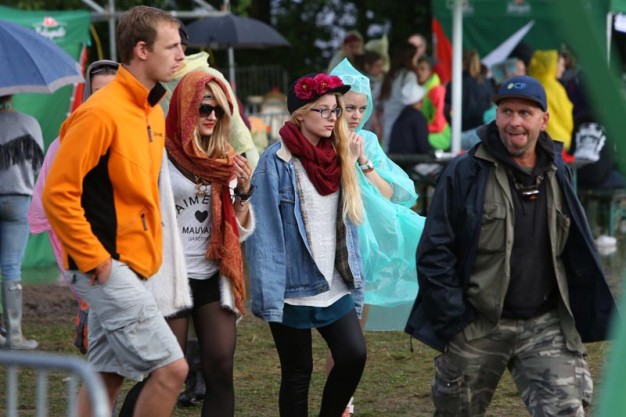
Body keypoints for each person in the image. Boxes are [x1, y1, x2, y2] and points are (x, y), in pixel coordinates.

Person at [405, 75, 616, 416]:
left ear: (543, 120)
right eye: (506, 112)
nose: (514, 122)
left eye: (525, 113)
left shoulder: (557, 171)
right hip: (477, 323)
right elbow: (434, 251)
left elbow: (575, 246)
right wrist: (454, 321)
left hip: (544, 323)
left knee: (567, 410)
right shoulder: (466, 171)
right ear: (497, 115)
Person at [42, 6, 188, 417]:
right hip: (106, 265)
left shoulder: (153, 111)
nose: (181, 54)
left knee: (105, 375)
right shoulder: (99, 112)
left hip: (134, 263)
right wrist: (98, 262)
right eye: (172, 47)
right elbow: (57, 193)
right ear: (142, 50)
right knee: (172, 370)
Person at [245, 73, 367, 417]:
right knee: (298, 373)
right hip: (293, 287)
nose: (332, 117)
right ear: (300, 115)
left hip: (334, 282)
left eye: (335, 111)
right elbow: (264, 235)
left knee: (353, 355)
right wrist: (270, 293)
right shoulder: (275, 162)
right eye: (323, 110)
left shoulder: (339, 156)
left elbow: (350, 225)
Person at [329, 58, 426, 416]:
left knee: (352, 333)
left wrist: (363, 161)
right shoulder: (320, 139)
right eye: (348, 107)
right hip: (331, 243)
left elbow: (390, 194)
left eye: (361, 108)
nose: (355, 115)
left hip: (366, 249)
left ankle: (343, 402)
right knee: (340, 332)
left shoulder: (367, 140)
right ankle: (338, 402)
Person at [163, 70, 255, 416]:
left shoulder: (226, 161)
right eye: (204, 108)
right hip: (170, 276)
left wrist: (243, 193)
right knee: (167, 373)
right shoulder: (162, 156)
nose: (212, 116)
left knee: (220, 367)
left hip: (212, 275)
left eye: (218, 109)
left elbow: (237, 231)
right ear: (186, 109)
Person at [28, 59, 119, 354]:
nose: (106, 99)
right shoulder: (70, 137)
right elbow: (53, 195)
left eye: (113, 91)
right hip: (81, 236)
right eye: (99, 92)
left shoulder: (132, 133)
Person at [0, 94, 43, 350]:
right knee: (11, 266)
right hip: (18, 200)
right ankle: (14, 336)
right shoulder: (29, 123)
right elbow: (38, 166)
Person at [528, 49, 574, 150]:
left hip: (535, 140)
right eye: (561, 65)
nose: (563, 69)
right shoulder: (554, 87)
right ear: (552, 65)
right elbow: (566, 116)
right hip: (557, 139)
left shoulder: (531, 84)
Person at [378, 41, 420, 150]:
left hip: (386, 125)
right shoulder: (409, 76)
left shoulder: (390, 76)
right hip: (401, 128)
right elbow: (413, 101)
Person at [416, 55, 451, 151]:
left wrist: (418, 129)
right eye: (417, 69)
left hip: (439, 137)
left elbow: (438, 124)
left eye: (422, 69)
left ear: (430, 71)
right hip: (429, 134)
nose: (418, 72)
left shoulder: (436, 90)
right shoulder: (422, 89)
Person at [388, 81, 429, 154]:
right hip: (411, 160)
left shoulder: (401, 116)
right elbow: (423, 146)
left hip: (395, 159)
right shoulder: (418, 118)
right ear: (421, 101)